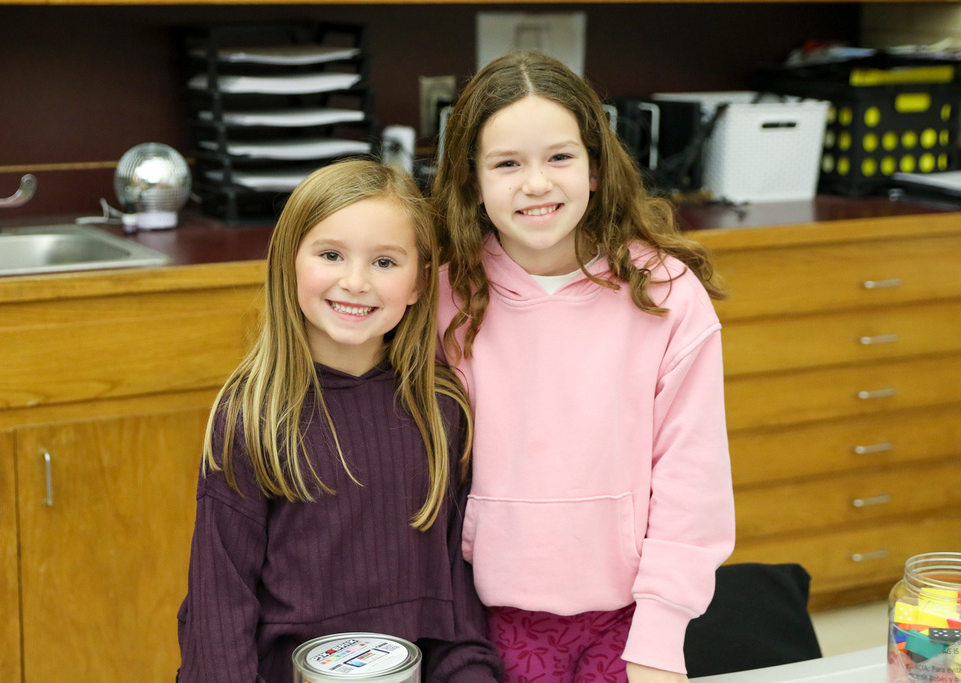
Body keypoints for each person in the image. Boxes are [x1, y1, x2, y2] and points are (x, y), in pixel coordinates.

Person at [431, 51, 736, 683]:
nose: (536, 183)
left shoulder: (667, 294)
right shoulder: (442, 299)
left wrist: (661, 636)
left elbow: (692, 481)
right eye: (507, 163)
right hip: (484, 616)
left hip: (631, 618)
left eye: (559, 157)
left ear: (595, 168)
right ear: (472, 179)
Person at [177, 158, 504, 683]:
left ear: (421, 282)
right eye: (331, 255)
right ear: (288, 262)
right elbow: (218, 612)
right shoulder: (251, 416)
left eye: (384, 262)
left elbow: (458, 619)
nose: (355, 282)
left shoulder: (442, 411)